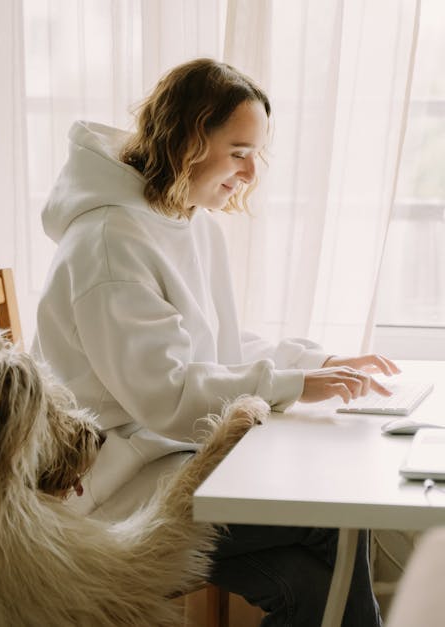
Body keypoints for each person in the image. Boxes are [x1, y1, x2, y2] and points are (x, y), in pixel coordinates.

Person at [34, 57, 398, 626]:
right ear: (187, 141)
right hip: (109, 489)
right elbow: (169, 396)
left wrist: (316, 364)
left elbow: (219, 348)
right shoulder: (109, 242)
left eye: (258, 155)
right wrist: (295, 385)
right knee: (333, 521)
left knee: (312, 584)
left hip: (167, 460)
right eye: (239, 152)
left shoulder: (185, 218)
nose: (252, 173)